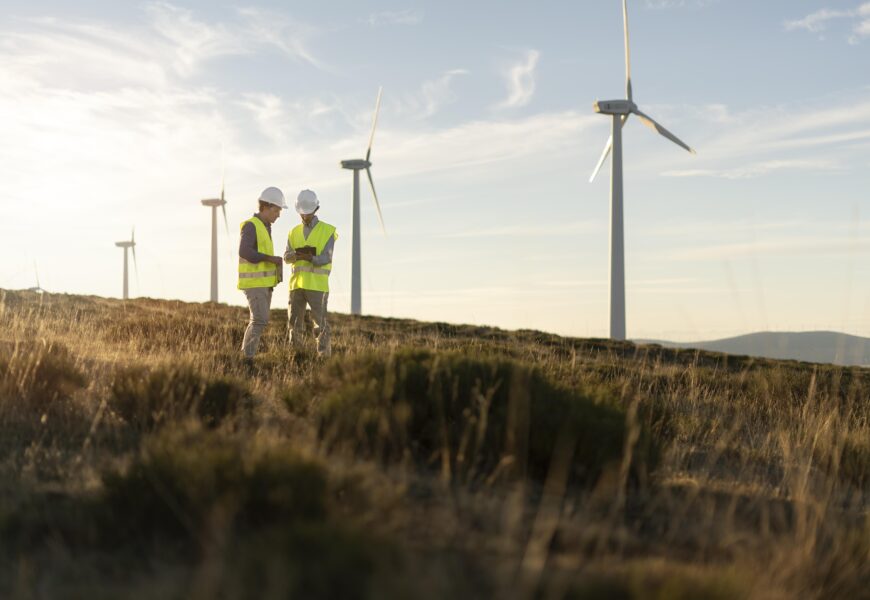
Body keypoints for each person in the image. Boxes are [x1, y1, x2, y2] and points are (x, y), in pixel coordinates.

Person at [284, 189, 338, 357]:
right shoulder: (293, 232)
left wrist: (310, 258)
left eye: (307, 213)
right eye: (302, 213)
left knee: (320, 325)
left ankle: (323, 359)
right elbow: (286, 257)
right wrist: (295, 255)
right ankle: (296, 357)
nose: (304, 216)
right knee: (294, 325)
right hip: (296, 286)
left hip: (317, 286)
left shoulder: (328, 230)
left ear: (316, 209)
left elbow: (326, 258)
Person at [238, 186, 287, 366]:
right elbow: (244, 251)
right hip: (254, 283)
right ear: (265, 207)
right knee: (259, 320)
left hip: (264, 284)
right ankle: (246, 360)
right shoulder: (251, 225)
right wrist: (270, 258)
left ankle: (247, 357)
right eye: (276, 210)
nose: (279, 215)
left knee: (260, 321)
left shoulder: (265, 227)